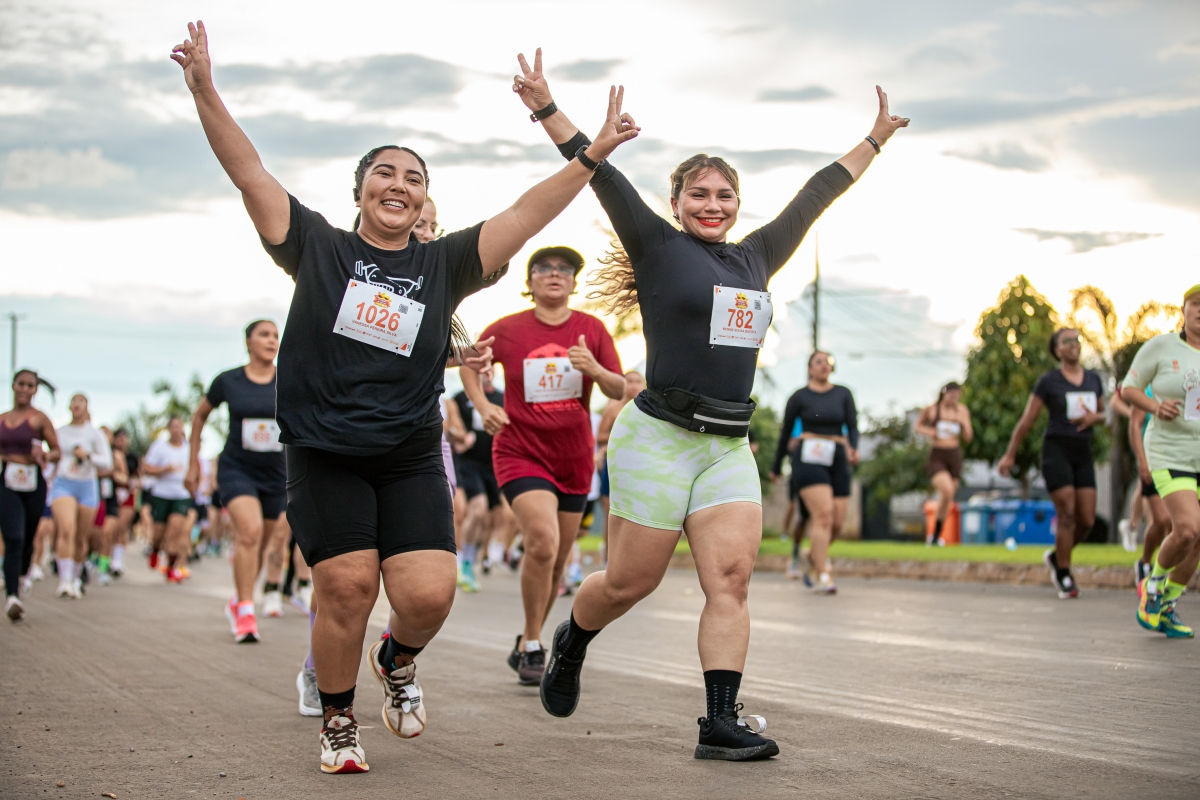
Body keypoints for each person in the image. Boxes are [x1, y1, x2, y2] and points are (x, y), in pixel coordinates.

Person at [172, 21, 640, 775]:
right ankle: (338, 720)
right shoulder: (317, 247)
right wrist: (204, 89)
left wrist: (592, 153)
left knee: (426, 596)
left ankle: (396, 659)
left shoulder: (446, 263)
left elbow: (528, 212)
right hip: (325, 450)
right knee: (347, 586)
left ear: (425, 197)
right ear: (360, 190)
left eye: (414, 177)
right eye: (384, 174)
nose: (399, 185)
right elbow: (249, 171)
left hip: (408, 452)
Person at [511, 48, 906, 760]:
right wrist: (546, 106)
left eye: (724, 195)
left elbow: (818, 192)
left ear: (737, 204)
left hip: (728, 446)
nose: (713, 205)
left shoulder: (757, 257)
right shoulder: (657, 246)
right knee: (630, 582)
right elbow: (600, 175)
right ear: (676, 204)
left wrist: (874, 138)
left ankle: (719, 723)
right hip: (658, 437)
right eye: (699, 194)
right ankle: (573, 638)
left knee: (731, 578)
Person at [464, 246, 625, 685]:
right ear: (530, 281)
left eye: (564, 269)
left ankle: (525, 639)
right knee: (541, 542)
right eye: (544, 269)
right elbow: (470, 363)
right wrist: (483, 405)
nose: (554, 274)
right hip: (521, 450)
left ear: (573, 281)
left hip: (573, 458)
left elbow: (618, 388)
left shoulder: (590, 329)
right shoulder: (508, 329)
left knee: (555, 560)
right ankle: (535, 642)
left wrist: (593, 368)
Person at [187, 320, 290, 643]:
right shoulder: (228, 380)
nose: (271, 340)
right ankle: (246, 610)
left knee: (261, 543)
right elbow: (200, 415)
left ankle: (238, 601)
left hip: (276, 473)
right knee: (249, 532)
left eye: (275, 335)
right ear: (248, 342)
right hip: (237, 469)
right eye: (264, 334)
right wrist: (193, 463)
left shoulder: (288, 379)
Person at [998, 328, 1105, 599]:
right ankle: (1064, 573)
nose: (1073, 344)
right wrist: (1010, 454)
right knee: (1066, 513)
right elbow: (1028, 419)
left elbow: (1104, 414)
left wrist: (1095, 418)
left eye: (1076, 339)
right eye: (1066, 341)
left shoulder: (1093, 379)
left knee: (1086, 519)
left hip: (1083, 451)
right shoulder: (1049, 381)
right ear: (1057, 350)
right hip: (1056, 450)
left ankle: (1057, 557)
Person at [1123, 285, 1200, 638]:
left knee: (1198, 538)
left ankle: (1167, 604)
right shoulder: (1162, 347)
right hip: (1170, 451)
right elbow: (1129, 388)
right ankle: (1152, 588)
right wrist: (1155, 407)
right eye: (1196, 304)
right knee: (1186, 528)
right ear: (1183, 310)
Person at [769, 352, 860, 593]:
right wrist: (776, 467)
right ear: (809, 368)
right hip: (808, 457)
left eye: (828, 362)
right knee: (823, 516)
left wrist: (854, 448)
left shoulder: (843, 393)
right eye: (818, 361)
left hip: (837, 456)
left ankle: (813, 556)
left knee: (837, 523)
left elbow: (852, 426)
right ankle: (823, 576)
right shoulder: (799, 397)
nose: (824, 365)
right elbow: (785, 433)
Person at [1, 370, 60, 620]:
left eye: (30, 385)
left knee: (27, 538)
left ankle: (23, 573)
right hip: (7, 482)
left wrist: (45, 455)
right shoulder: (2, 419)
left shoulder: (39, 419)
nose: (25, 389)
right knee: (13, 537)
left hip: (34, 483)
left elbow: (57, 451)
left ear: (35, 390)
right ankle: (12, 596)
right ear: (13, 386)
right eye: (21, 384)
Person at [48, 393, 112, 599]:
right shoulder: (60, 432)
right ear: (69, 406)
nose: (77, 404)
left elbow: (107, 462)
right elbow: (52, 455)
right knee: (67, 529)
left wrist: (88, 455)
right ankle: (64, 580)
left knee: (80, 537)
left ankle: (75, 578)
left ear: (87, 407)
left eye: (81, 401)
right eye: (74, 401)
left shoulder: (95, 434)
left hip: (87, 485)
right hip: (64, 483)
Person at [449, 374, 504, 592]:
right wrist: (460, 437)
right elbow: (455, 427)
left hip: (494, 464)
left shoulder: (502, 398)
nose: (486, 372)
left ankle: (477, 557)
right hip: (469, 463)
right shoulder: (461, 398)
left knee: (491, 518)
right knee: (477, 509)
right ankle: (464, 562)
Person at [594, 370, 645, 564]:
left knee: (637, 510)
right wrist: (623, 433)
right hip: (614, 464)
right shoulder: (613, 409)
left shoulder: (649, 410)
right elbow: (599, 437)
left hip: (639, 465)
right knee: (611, 511)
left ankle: (633, 556)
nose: (633, 385)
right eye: (629, 381)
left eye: (637, 381)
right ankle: (609, 556)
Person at [915, 382, 973, 546]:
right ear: (944, 394)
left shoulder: (962, 410)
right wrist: (930, 432)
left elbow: (968, 437)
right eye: (951, 395)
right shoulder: (932, 410)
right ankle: (934, 535)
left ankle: (936, 535)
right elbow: (918, 427)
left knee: (948, 497)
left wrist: (963, 422)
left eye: (957, 396)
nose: (954, 399)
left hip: (954, 455)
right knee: (946, 490)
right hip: (937, 454)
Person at [144, 417, 194, 583]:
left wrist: (195, 486)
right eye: (173, 426)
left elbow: (196, 469)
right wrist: (164, 470)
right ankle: (155, 549)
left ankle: (171, 567)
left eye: (179, 426)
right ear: (168, 429)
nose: (176, 430)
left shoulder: (189, 449)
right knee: (158, 533)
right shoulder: (159, 447)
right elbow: (146, 468)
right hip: (161, 493)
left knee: (176, 530)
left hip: (181, 494)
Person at [110, 428, 138, 578]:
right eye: (118, 438)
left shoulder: (132, 457)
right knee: (111, 527)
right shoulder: (109, 454)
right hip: (111, 493)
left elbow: (138, 476)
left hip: (128, 494)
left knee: (122, 527)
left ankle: (117, 561)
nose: (121, 441)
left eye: (123, 438)